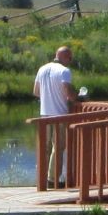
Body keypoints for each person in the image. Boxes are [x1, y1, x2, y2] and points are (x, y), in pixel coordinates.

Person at [32, 45, 78, 186]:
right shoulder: (64, 71)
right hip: (60, 114)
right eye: (70, 58)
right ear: (65, 57)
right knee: (58, 147)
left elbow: (36, 92)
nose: (70, 60)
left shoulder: (42, 69)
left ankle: (41, 178)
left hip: (44, 114)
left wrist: (49, 96)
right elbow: (69, 93)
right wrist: (77, 96)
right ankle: (52, 179)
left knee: (45, 147)